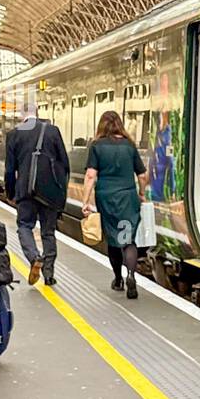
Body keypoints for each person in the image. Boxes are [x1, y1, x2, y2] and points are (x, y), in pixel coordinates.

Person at [81, 110, 147, 299]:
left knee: (112, 239)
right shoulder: (129, 146)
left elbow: (91, 175)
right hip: (127, 197)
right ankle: (131, 275)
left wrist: (86, 201)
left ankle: (118, 279)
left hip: (107, 198)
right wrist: (141, 194)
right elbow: (142, 175)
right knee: (127, 239)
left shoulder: (97, 146)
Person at [2, 101, 69, 286]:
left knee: (24, 226)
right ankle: (49, 274)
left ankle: (34, 258)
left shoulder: (14, 134)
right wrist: (61, 192)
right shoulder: (52, 131)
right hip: (50, 191)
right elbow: (64, 164)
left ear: (21, 116)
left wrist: (10, 193)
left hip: (25, 190)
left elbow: (9, 170)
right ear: (37, 113)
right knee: (48, 232)